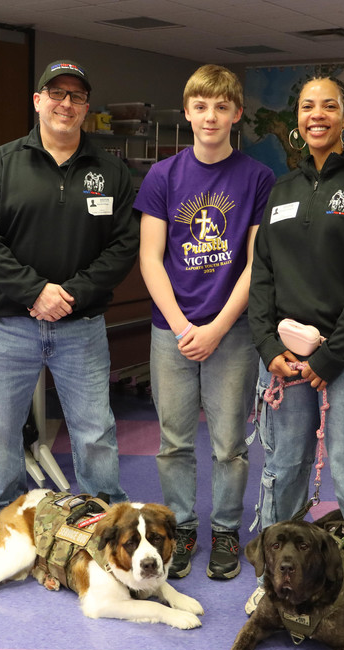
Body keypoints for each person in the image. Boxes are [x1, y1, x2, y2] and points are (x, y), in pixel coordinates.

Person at [247, 75, 344, 649]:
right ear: (298, 118)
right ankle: (274, 582)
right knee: (282, 468)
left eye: (329, 106)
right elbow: (261, 272)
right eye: (308, 105)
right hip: (286, 358)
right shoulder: (282, 188)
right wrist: (270, 349)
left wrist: (332, 356)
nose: (318, 114)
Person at [0, 58, 139, 559]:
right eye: (55, 94)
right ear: (37, 101)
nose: (66, 104)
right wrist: (33, 290)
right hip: (9, 322)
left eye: (77, 97)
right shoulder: (3, 163)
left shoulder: (110, 172)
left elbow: (123, 246)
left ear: (86, 109)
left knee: (94, 431)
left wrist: (73, 294)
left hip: (80, 325)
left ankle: (105, 523)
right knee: (0, 426)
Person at [134, 64, 275, 580]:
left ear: (236, 114)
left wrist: (215, 328)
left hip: (232, 332)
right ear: (188, 112)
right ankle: (182, 529)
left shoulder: (258, 178)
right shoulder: (162, 176)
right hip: (170, 329)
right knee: (173, 442)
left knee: (229, 444)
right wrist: (180, 326)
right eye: (200, 106)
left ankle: (225, 532)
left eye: (221, 107)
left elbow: (258, 265)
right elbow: (151, 259)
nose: (210, 116)